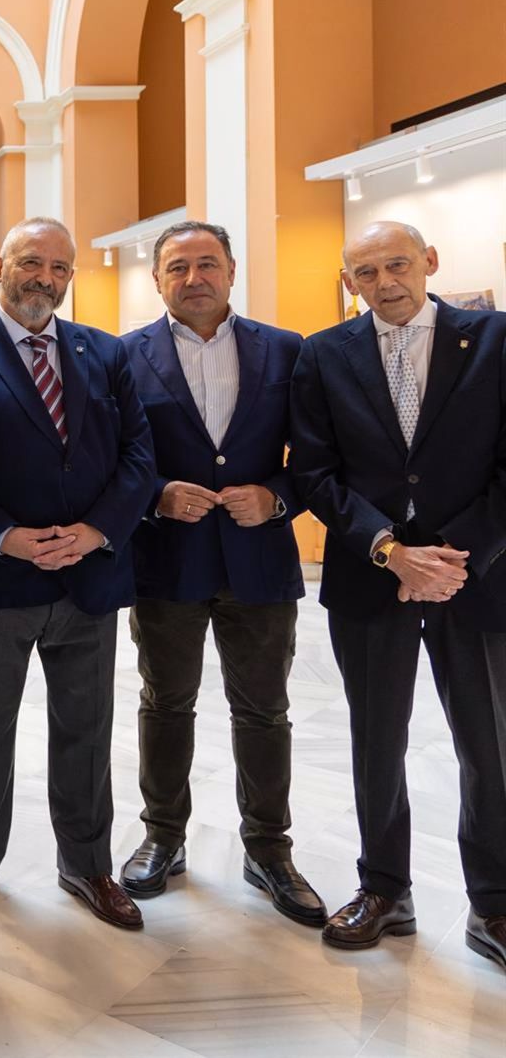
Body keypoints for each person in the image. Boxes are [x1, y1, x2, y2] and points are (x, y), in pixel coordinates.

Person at [291, 220, 506, 966]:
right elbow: (314, 472)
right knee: (376, 740)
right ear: (349, 281)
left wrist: (451, 560)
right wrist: (389, 549)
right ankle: (385, 888)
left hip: (475, 579)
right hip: (370, 577)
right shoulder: (322, 354)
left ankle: (496, 902)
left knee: (490, 745)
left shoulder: (495, 337)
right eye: (366, 272)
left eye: (398, 264)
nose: (385, 282)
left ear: (430, 262)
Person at [0, 217, 154, 931]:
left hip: (88, 578)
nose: (46, 279)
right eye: (32, 263)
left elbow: (138, 455)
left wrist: (98, 531)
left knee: (87, 729)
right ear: (0, 263)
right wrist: (7, 536)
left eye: (60, 269)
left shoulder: (104, 352)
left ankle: (88, 862)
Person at [117, 220, 325, 925]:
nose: (194, 277)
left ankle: (269, 848)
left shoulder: (287, 350)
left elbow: (317, 458)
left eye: (208, 263)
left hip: (258, 559)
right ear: (157, 279)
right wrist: (153, 497)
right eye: (178, 267)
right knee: (165, 703)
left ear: (233, 270)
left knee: (264, 709)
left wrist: (278, 497)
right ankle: (162, 836)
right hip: (167, 561)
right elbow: (115, 460)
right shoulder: (123, 356)